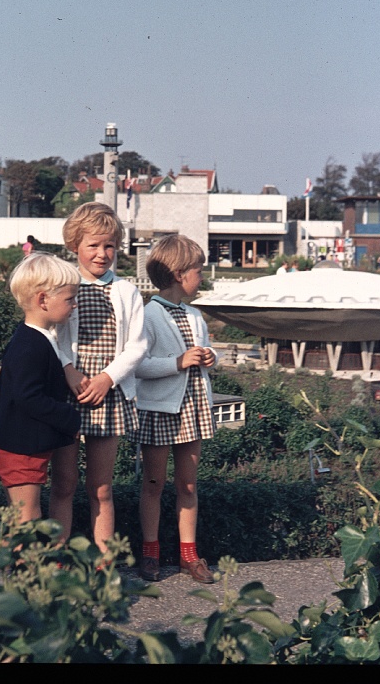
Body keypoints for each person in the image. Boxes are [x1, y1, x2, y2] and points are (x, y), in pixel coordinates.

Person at [53, 202, 147, 555]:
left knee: (101, 488)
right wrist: (68, 370)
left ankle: (104, 564)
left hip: (108, 394)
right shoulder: (63, 285)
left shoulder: (126, 291)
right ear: (74, 245)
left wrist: (107, 378)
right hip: (69, 392)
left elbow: (137, 346)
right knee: (64, 483)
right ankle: (55, 560)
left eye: (109, 246)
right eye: (93, 245)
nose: (102, 253)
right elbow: (48, 335)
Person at [135, 234, 218, 584]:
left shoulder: (195, 315)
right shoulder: (148, 315)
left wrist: (210, 357)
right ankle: (150, 551)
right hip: (159, 410)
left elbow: (207, 351)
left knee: (188, 484)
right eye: (198, 270)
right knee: (154, 482)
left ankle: (189, 555)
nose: (202, 276)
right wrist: (178, 362)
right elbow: (139, 365)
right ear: (179, 274)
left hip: (193, 408)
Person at [0, 252, 81, 538]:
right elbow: (29, 397)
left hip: (18, 445)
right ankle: (18, 567)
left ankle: (9, 564)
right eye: (70, 299)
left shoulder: (35, 337)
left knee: (21, 519)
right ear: (43, 300)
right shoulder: (30, 345)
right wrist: (69, 417)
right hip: (19, 448)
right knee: (26, 521)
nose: (74, 305)